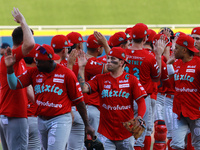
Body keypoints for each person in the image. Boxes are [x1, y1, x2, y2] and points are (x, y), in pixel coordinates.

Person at [4, 44, 95, 150]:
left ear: (50, 60)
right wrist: (10, 68)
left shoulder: (66, 74)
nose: (37, 63)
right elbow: (14, 84)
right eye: (36, 60)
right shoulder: (33, 72)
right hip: (41, 119)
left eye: (40, 61)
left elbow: (79, 101)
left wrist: (87, 124)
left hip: (60, 118)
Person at [78, 47, 147, 150]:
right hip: (106, 132)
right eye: (108, 58)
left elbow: (141, 102)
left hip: (126, 132)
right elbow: (83, 89)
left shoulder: (131, 80)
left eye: (113, 59)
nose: (109, 61)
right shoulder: (99, 78)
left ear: (121, 62)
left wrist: (140, 116)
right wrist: (82, 67)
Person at [125, 23, 165, 150]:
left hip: (124, 97)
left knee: (123, 136)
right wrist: (158, 56)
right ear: (145, 39)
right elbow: (157, 77)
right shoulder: (149, 56)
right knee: (138, 139)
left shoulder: (124, 53)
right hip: (142, 99)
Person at [0, 8, 35, 150]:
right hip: (15, 115)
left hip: (10, 114)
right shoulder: (13, 57)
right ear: (23, 41)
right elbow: (30, 44)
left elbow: (25, 87)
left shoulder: (16, 61)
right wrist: (23, 22)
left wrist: (39, 105)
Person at [51, 34, 85, 150]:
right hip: (67, 111)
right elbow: (71, 87)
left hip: (49, 112)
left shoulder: (46, 65)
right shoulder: (78, 63)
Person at [167, 34, 200, 149]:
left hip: (196, 113)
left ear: (184, 50)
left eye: (176, 48)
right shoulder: (177, 63)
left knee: (198, 144)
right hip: (179, 111)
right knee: (176, 145)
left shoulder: (198, 64)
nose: (173, 50)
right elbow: (173, 86)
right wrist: (169, 66)